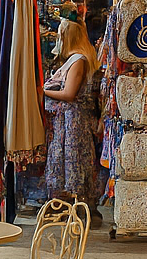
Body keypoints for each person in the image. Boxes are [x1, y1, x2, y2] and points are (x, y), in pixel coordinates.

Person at [41, 18, 104, 223]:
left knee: (72, 162)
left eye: (61, 34)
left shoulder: (79, 60)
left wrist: (43, 92)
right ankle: (69, 206)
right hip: (66, 122)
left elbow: (69, 93)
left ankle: (76, 207)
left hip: (73, 123)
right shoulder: (75, 59)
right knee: (66, 162)